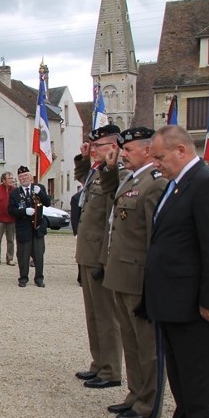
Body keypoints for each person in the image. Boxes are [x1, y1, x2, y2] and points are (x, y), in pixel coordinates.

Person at [140, 125, 209, 418]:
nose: (158, 164)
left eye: (161, 157)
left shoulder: (208, 184)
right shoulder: (178, 185)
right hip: (175, 300)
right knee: (180, 376)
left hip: (197, 305)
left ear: (182, 150)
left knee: (196, 378)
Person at [102, 127, 167, 418]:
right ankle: (135, 392)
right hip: (121, 273)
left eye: (128, 150)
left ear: (147, 150)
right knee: (130, 339)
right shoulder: (131, 179)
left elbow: (156, 238)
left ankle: (149, 401)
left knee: (147, 344)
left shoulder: (154, 184)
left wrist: (154, 282)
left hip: (139, 275)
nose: (123, 153)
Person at [73, 124, 127, 389]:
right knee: (93, 316)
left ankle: (111, 370)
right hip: (87, 253)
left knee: (107, 317)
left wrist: (105, 260)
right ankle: (99, 363)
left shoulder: (114, 175)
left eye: (99, 146)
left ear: (114, 148)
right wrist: (84, 160)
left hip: (99, 255)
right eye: (92, 146)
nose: (93, 150)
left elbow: (110, 221)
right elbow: (83, 181)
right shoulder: (96, 173)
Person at [8, 165, 50, 288]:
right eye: (21, 176)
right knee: (23, 255)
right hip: (23, 228)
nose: (24, 178)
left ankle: (39, 278)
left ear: (31, 176)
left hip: (37, 227)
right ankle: (23, 278)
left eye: (26, 175)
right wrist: (24, 211)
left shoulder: (39, 188)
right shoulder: (15, 193)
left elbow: (47, 203)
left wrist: (40, 193)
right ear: (18, 179)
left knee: (38, 255)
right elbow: (11, 210)